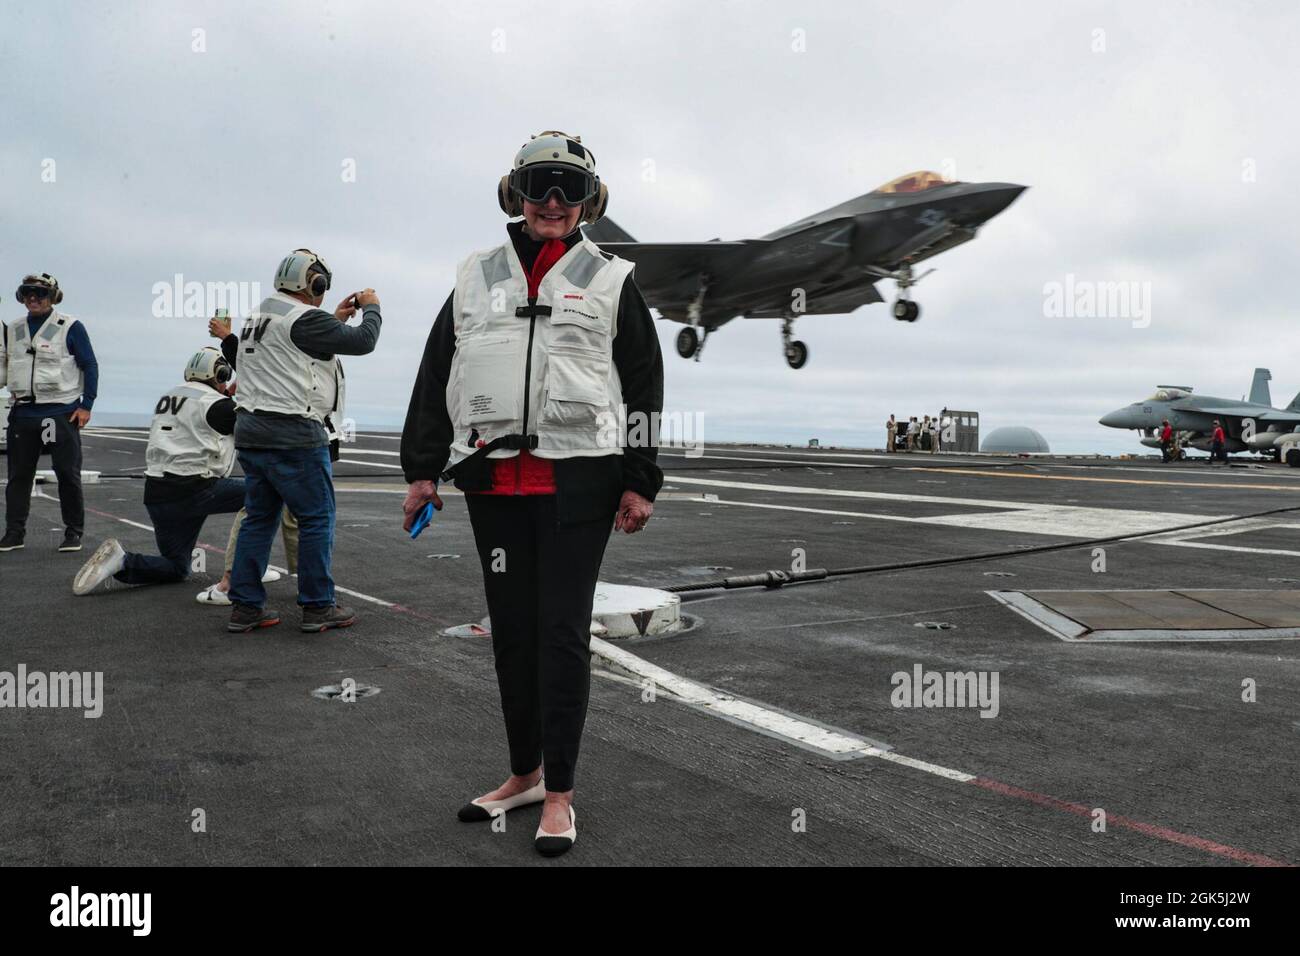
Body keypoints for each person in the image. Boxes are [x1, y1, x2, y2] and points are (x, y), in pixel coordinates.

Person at [400, 131, 663, 857]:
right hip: (494, 483)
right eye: (541, 185)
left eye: (568, 189)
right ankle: (523, 774)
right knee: (511, 635)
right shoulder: (476, 277)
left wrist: (641, 477)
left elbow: (643, 384)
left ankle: (561, 795)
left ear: (589, 202)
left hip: (578, 486)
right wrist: (423, 470)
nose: (553, 201)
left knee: (559, 636)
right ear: (514, 193)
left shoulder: (611, 279)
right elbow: (435, 374)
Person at [225, 249, 380, 634]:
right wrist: (373, 307)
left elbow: (293, 346)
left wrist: (332, 320)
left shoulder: (259, 317)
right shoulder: (304, 319)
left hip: (251, 432)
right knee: (316, 518)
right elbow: (364, 341)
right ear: (315, 283)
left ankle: (245, 607)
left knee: (259, 519)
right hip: (294, 434)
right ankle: (317, 606)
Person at [71, 348, 244, 593]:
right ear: (220, 374)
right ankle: (247, 568)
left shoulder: (169, 395)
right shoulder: (220, 405)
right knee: (265, 493)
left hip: (158, 493)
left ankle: (122, 561)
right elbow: (255, 432)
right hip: (196, 489)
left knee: (176, 567)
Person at [0, 273, 98, 553]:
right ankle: (14, 533)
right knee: (19, 477)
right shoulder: (13, 329)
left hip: (59, 413)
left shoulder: (70, 326)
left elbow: (89, 365)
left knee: (67, 473)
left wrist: (86, 405)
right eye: (27, 292)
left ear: (53, 297)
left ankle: (73, 533)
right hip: (23, 413)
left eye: (40, 293)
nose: (33, 298)